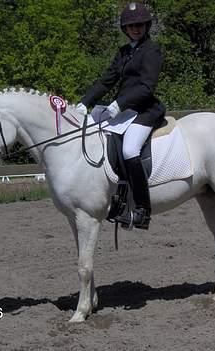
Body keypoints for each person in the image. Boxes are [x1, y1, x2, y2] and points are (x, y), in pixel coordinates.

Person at [75, 2, 165, 230]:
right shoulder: (124, 52)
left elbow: (147, 87)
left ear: (146, 26)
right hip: (123, 111)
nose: (135, 28)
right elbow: (107, 80)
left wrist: (119, 104)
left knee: (129, 150)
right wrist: (85, 103)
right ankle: (118, 198)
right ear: (125, 29)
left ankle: (143, 210)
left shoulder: (152, 51)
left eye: (139, 25)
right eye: (131, 25)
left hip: (145, 110)